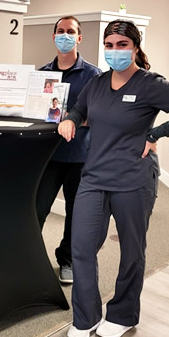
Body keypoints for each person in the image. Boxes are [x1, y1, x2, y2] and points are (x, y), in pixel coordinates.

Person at [58, 19, 169, 337]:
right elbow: (79, 108)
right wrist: (70, 120)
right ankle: (86, 316)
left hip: (133, 179)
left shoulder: (151, 84)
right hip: (94, 177)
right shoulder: (97, 83)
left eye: (121, 45)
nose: (114, 52)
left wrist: (156, 134)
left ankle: (123, 314)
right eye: (109, 45)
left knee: (131, 250)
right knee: (81, 248)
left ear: (135, 48)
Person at [36, 15, 101, 283]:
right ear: (53, 37)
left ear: (79, 37)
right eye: (60, 31)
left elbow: (100, 114)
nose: (65, 35)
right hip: (48, 157)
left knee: (76, 213)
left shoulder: (93, 75)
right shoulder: (41, 74)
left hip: (80, 156)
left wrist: (73, 121)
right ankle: (31, 259)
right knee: (36, 209)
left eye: (70, 31)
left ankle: (68, 261)